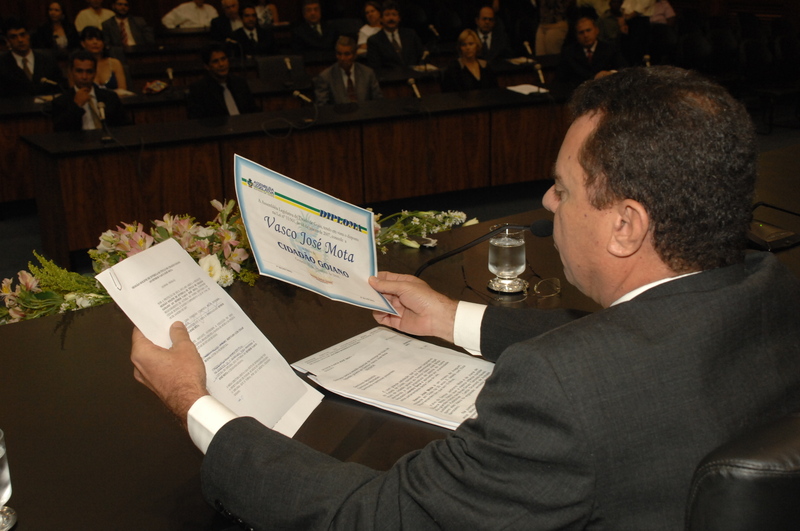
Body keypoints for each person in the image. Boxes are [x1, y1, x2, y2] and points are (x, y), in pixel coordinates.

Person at [130, 65, 800, 530]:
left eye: (563, 188)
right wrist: (453, 318)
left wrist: (195, 404)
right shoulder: (771, 289)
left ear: (625, 225)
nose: (548, 202)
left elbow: (372, 518)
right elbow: (625, 343)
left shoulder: (559, 394)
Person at [51, 49, 128, 131]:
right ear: (71, 72)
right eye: (79, 71)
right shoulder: (61, 102)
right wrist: (76, 105)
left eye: (89, 72)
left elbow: (125, 127)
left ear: (95, 73)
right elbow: (60, 132)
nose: (84, 77)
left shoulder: (110, 97)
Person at [186, 43, 259, 119]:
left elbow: (253, 110)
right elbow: (197, 120)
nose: (221, 64)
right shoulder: (199, 90)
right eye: (215, 61)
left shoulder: (240, 83)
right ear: (207, 66)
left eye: (223, 59)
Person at [0, 18, 66, 98]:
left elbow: (61, 88)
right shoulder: (2, 63)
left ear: (28, 35)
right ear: (7, 40)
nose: (20, 40)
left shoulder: (47, 58)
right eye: (13, 37)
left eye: (22, 35)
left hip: (47, 105)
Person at [313, 35, 382, 105]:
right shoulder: (326, 77)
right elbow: (322, 106)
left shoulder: (367, 73)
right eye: (339, 54)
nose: (342, 58)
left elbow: (378, 102)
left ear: (355, 55)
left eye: (347, 54)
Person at [557, 16, 626, 84]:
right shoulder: (569, 53)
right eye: (581, 32)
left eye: (588, 30)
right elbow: (560, 80)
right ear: (576, 35)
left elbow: (624, 70)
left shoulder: (610, 49)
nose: (585, 35)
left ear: (596, 30)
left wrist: (610, 73)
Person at [366, 1, 425, 73]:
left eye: (394, 14)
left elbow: (421, 56)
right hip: (389, 78)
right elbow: (375, 67)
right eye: (387, 15)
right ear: (381, 19)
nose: (391, 18)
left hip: (414, 75)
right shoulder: (374, 40)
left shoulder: (410, 34)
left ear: (399, 18)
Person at [440, 28, 498, 92]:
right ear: (460, 48)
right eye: (464, 45)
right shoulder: (454, 68)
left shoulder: (485, 66)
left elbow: (494, 90)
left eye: (471, 44)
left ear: (477, 45)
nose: (467, 48)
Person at [79, 26, 128, 92]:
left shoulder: (115, 63)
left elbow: (123, 90)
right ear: (83, 43)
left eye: (98, 39)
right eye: (90, 39)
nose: (95, 42)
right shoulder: (79, 65)